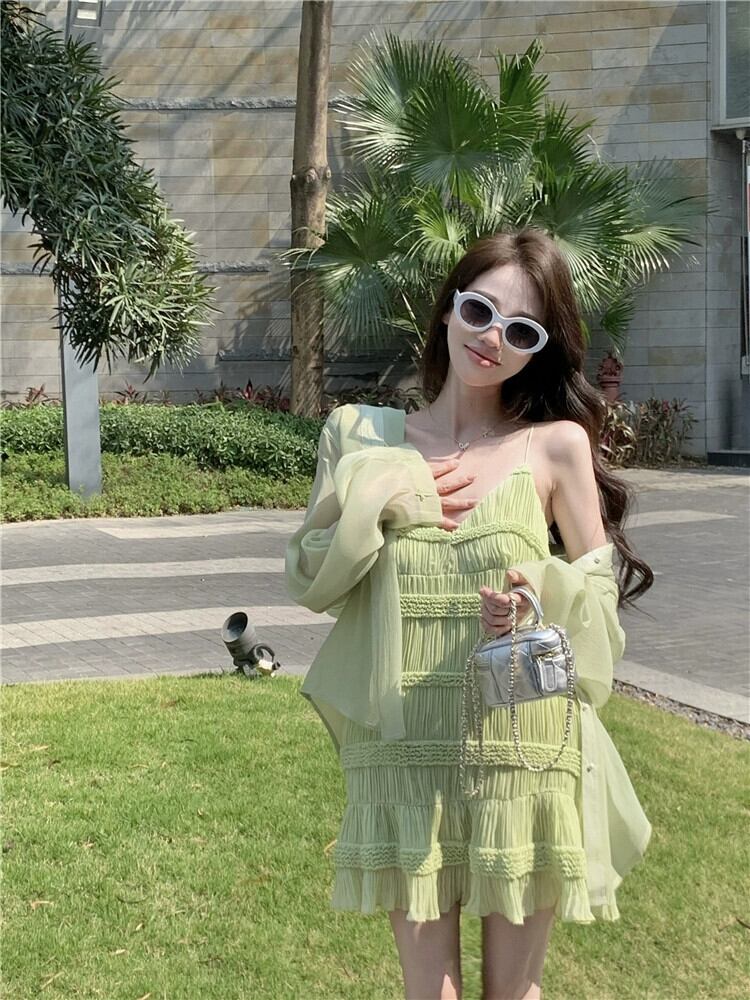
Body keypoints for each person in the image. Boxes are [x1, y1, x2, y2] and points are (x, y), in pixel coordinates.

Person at [285, 226, 654, 1000]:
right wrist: (381, 501)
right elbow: (313, 579)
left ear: (541, 349)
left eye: (521, 330)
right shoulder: (359, 437)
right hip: (402, 747)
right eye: (481, 311)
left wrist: (538, 596)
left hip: (520, 740)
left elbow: (598, 605)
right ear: (450, 307)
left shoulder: (555, 446)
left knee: (510, 995)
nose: (492, 339)